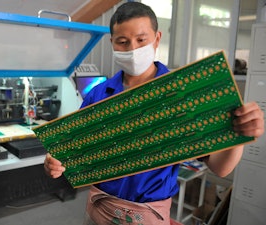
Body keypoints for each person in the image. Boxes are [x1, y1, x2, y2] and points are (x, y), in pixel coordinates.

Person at [44, 2, 265, 225]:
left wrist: (239, 136)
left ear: (157, 39)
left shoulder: (181, 96)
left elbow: (220, 167)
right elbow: (73, 153)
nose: (132, 49)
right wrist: (55, 162)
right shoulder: (99, 95)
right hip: (99, 208)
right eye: (122, 42)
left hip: (148, 214)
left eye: (141, 40)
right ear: (112, 43)